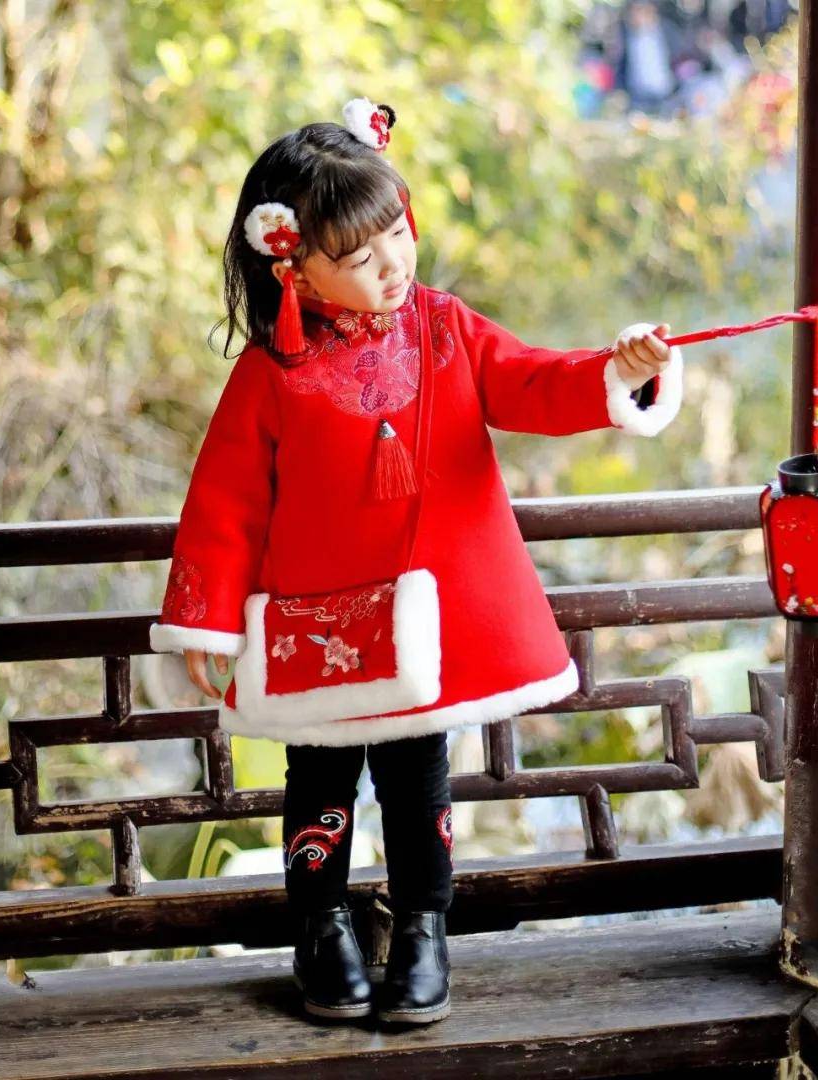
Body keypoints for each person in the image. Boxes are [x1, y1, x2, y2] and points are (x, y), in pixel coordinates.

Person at [149, 98, 683, 1025]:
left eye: (396, 232)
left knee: (415, 780)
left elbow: (535, 381)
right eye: (359, 256)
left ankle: (424, 928)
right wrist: (208, 617)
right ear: (293, 263)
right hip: (311, 618)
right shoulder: (267, 376)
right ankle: (320, 926)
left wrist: (618, 369)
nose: (393, 263)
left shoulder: (445, 329)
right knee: (317, 782)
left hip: (420, 618)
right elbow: (225, 503)